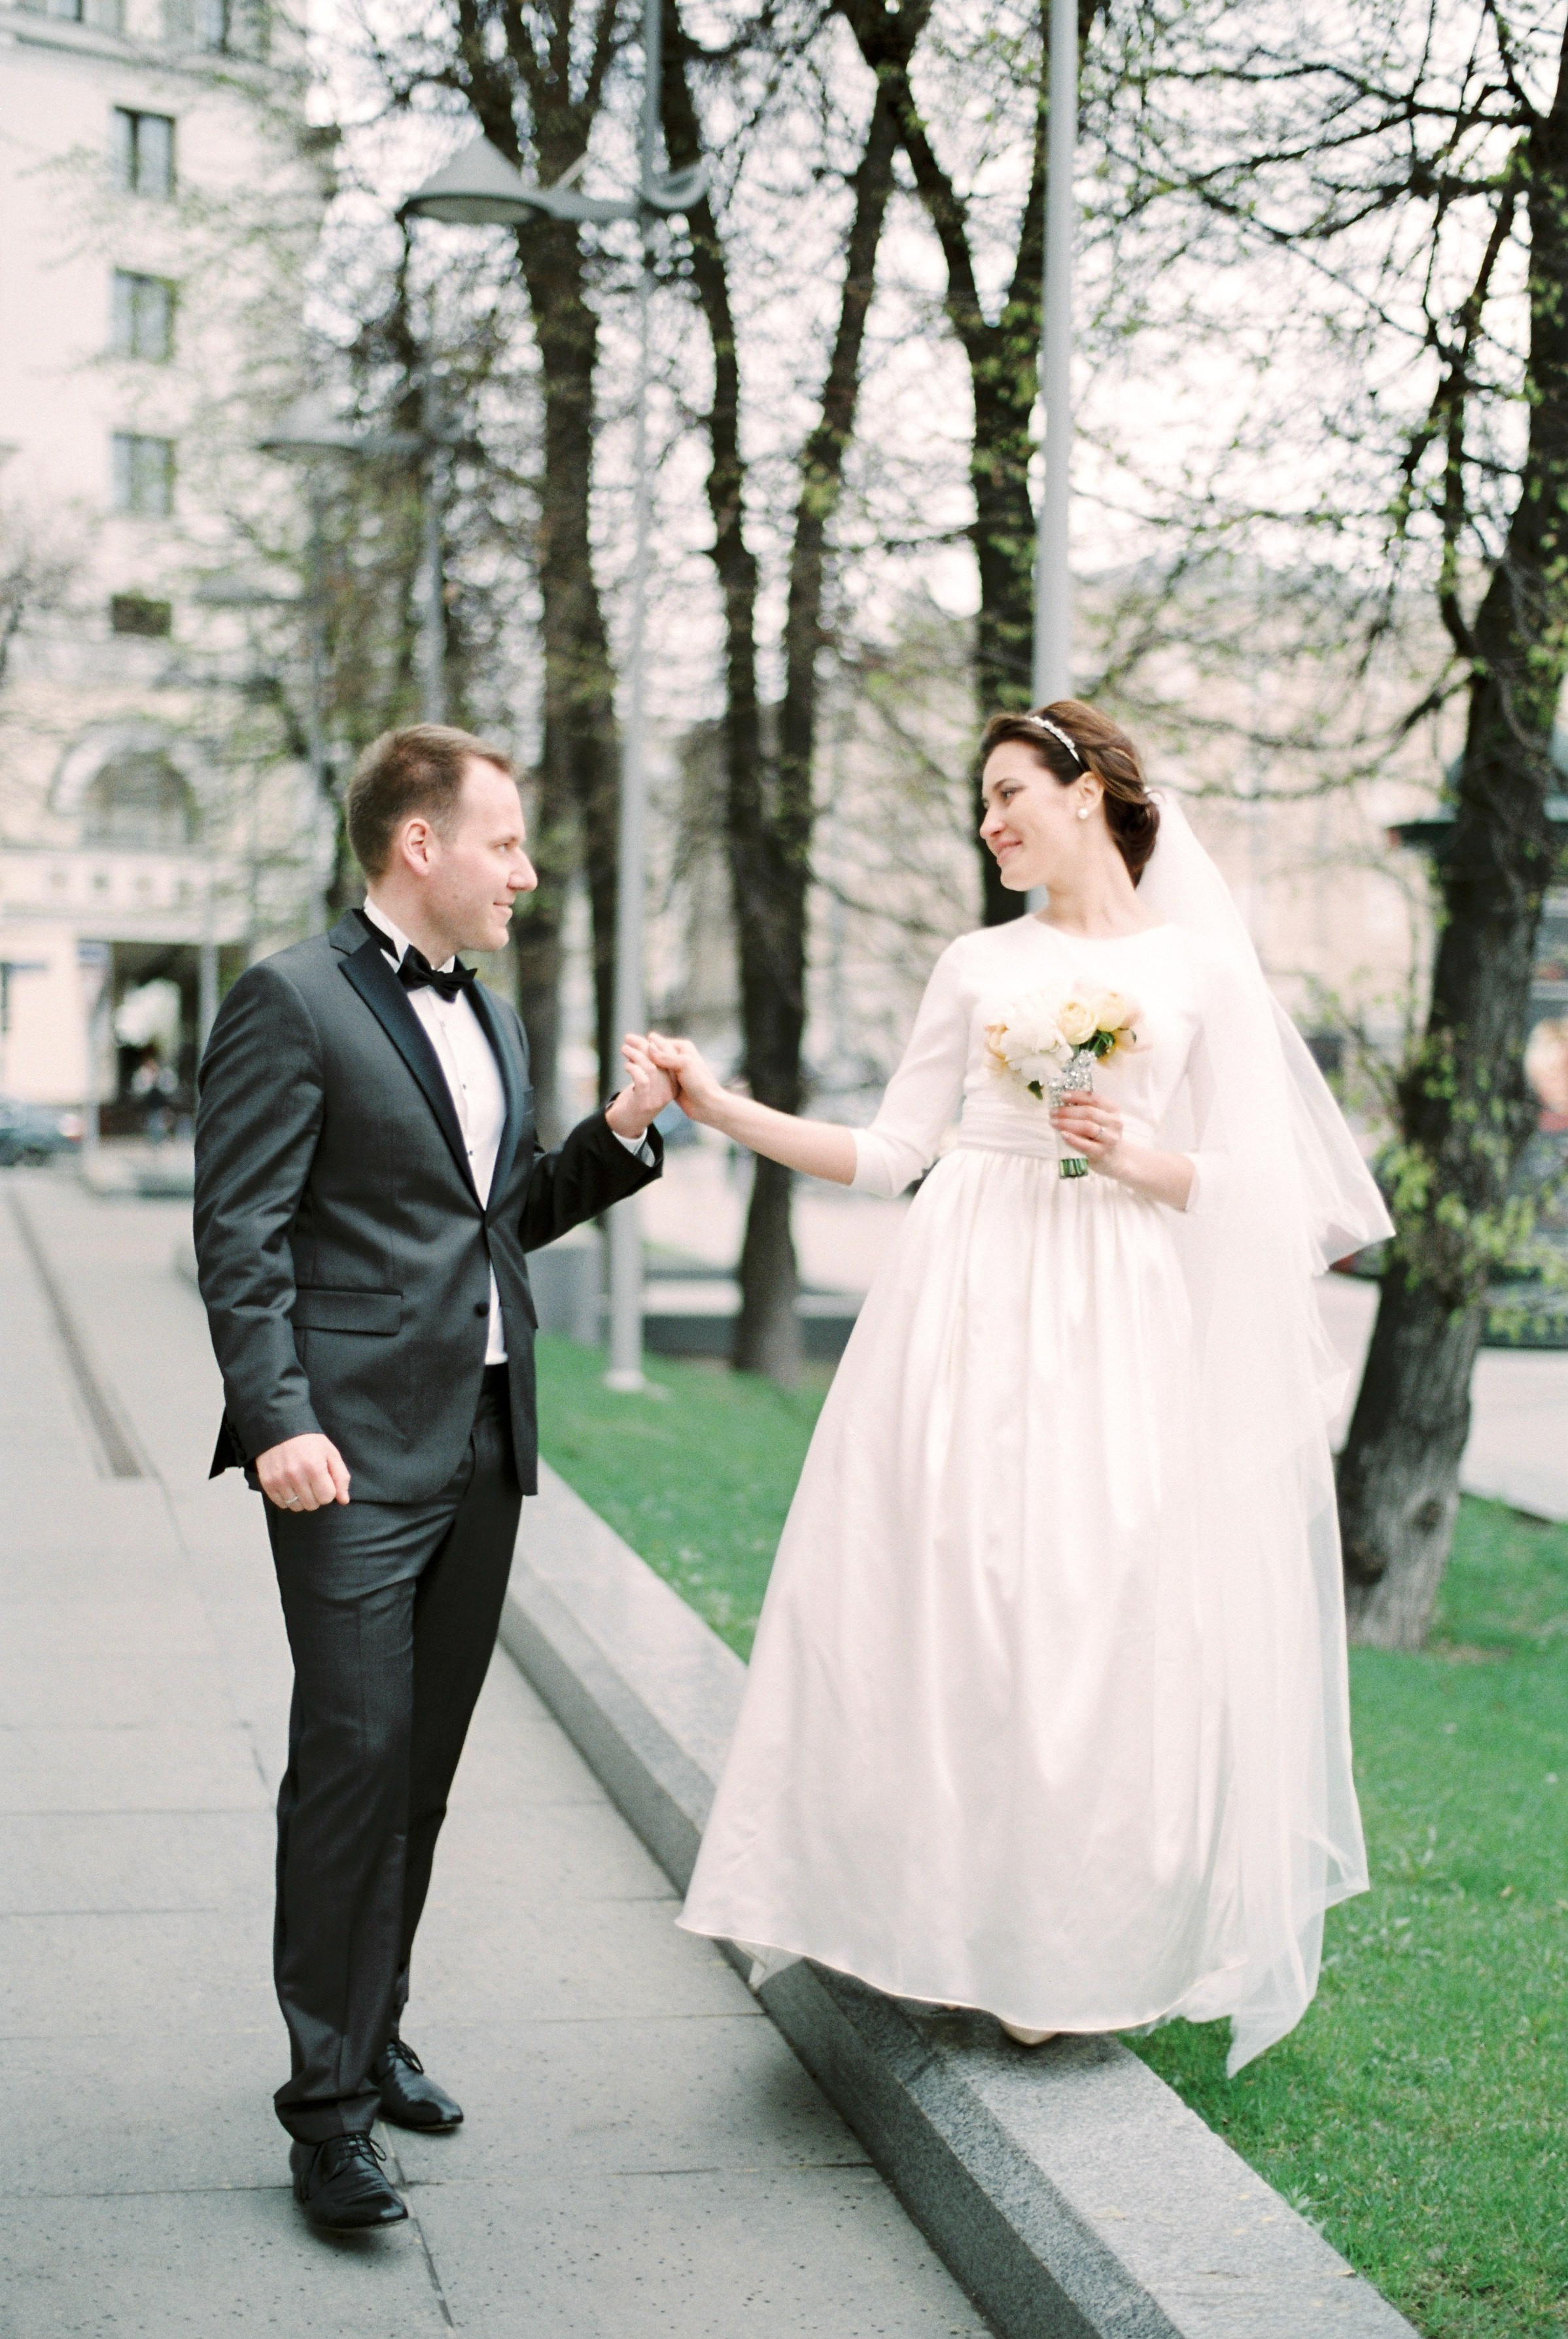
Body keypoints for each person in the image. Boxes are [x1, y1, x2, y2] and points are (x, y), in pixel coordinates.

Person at [651, 699, 1393, 2071]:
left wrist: (1139, 1161)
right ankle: (924, 1922)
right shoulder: (975, 960)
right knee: (946, 1597)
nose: (988, 820)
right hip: (962, 1303)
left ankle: (1062, 1946)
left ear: (1089, 788)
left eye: (1007, 793)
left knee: (1092, 1607)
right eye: (979, 801)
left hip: (1117, 1307)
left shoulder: (1197, 972)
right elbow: (888, 1151)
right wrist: (719, 1107)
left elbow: (1282, 1196)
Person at [194, 726, 672, 2229]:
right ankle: (325, 2116)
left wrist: (614, 1140)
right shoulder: (290, 998)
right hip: (338, 1456)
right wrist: (275, 1419)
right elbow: (241, 1232)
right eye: (506, 844)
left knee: (419, 1775)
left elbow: (495, 1220)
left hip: (478, 1442)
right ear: (421, 845)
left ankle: (373, 2026)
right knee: (350, 1763)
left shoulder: (500, 1020)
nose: (524, 872)